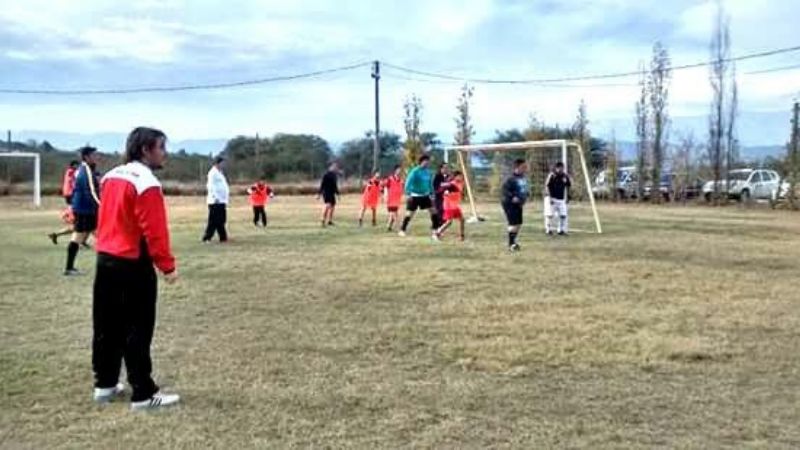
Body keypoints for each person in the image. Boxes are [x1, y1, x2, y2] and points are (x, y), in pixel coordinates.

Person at [92, 126, 180, 411]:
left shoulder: (111, 176)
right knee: (138, 327)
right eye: (161, 147)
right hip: (132, 262)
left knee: (107, 324)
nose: (164, 153)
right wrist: (167, 266)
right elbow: (154, 230)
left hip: (105, 259)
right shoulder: (146, 182)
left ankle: (104, 384)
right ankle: (143, 392)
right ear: (146, 150)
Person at [64, 146, 101, 276]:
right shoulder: (86, 171)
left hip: (82, 209)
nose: (97, 157)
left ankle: (69, 268)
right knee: (102, 236)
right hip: (87, 210)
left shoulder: (83, 169)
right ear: (86, 157)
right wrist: (102, 205)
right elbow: (91, 191)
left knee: (78, 237)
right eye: (94, 155)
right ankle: (112, 266)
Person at [399, 155, 438, 240]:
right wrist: (408, 194)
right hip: (415, 195)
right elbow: (408, 183)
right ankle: (402, 230)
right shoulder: (415, 171)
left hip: (425, 195)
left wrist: (432, 193)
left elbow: (429, 184)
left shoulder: (428, 172)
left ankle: (435, 230)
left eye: (428, 161)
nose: (427, 163)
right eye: (425, 161)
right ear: (421, 162)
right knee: (410, 214)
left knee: (433, 211)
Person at [501, 159, 530, 252]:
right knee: (513, 223)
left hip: (519, 204)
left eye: (525, 167)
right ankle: (511, 244)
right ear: (517, 167)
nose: (525, 169)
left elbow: (524, 189)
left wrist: (526, 195)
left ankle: (513, 242)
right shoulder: (510, 179)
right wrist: (513, 197)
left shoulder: (523, 178)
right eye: (523, 167)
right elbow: (505, 191)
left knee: (518, 224)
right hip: (510, 204)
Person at [202, 156, 229, 243]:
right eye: (222, 163)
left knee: (221, 219)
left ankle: (223, 237)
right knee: (213, 220)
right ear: (218, 163)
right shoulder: (212, 173)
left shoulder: (220, 172)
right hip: (215, 201)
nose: (224, 164)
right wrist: (215, 197)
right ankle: (207, 237)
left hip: (222, 200)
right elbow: (210, 186)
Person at [435, 170, 465, 241]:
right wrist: (445, 191)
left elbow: (459, 192)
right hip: (449, 205)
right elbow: (442, 188)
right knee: (449, 222)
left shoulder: (461, 183)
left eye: (461, 176)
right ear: (455, 177)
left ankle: (462, 236)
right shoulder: (451, 184)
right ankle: (437, 233)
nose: (461, 177)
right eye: (459, 176)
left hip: (455, 206)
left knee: (462, 220)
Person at [544, 162, 571, 236]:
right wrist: (550, 198)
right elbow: (547, 186)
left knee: (563, 215)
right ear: (556, 168)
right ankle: (548, 230)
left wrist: (568, 196)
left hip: (561, 199)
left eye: (562, 168)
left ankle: (560, 230)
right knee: (549, 215)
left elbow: (568, 186)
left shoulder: (565, 176)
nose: (561, 169)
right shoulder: (552, 175)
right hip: (551, 197)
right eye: (559, 168)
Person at [318, 161, 340, 227]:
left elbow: (335, 185)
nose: (336, 168)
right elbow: (322, 184)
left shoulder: (334, 175)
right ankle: (322, 220)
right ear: (331, 167)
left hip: (332, 193)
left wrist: (338, 194)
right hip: (326, 192)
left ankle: (330, 221)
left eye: (336, 167)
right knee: (327, 205)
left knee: (333, 206)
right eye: (335, 167)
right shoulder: (326, 174)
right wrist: (319, 194)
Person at [383, 165, 404, 232]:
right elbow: (386, 187)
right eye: (398, 170)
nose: (399, 171)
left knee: (393, 214)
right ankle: (399, 228)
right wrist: (385, 195)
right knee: (394, 214)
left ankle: (388, 227)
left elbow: (401, 189)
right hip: (390, 199)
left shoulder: (400, 180)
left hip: (397, 199)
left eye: (400, 170)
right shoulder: (390, 178)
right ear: (395, 170)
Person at [432, 163, 451, 230]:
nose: (446, 169)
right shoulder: (437, 176)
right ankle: (437, 228)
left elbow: (451, 185)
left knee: (445, 213)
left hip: (446, 198)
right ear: (440, 169)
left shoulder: (449, 176)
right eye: (444, 168)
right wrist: (445, 185)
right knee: (439, 212)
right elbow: (435, 186)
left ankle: (440, 227)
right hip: (438, 197)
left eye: (447, 168)